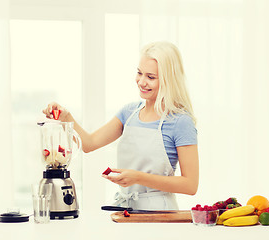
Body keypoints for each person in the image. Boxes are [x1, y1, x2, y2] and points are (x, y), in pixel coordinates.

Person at [42, 41, 199, 210]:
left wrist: (138, 177)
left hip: (160, 213)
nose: (141, 81)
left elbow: (190, 185)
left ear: (169, 79)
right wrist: (66, 117)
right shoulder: (129, 112)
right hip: (126, 210)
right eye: (139, 73)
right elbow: (89, 144)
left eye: (151, 77)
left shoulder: (180, 121)